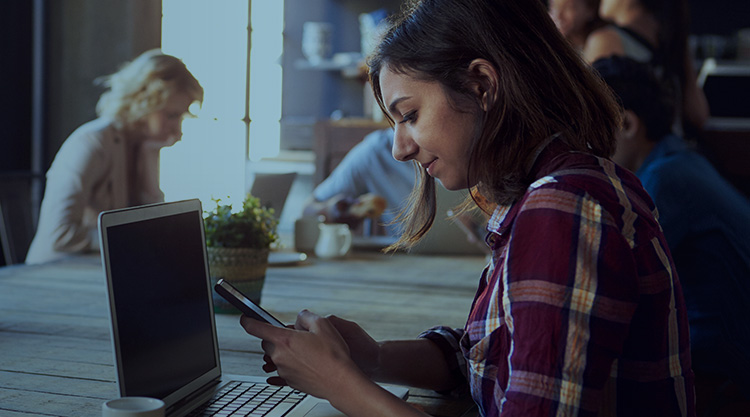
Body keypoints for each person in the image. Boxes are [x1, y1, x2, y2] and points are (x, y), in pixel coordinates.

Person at [240, 1, 695, 416]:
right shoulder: (546, 191)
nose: (399, 149)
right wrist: (372, 358)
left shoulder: (563, 209)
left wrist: (339, 383)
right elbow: (493, 355)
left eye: (410, 115)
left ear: (481, 86)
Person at [593, 55, 750, 409]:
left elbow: (612, 279)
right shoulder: (682, 161)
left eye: (590, 126)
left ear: (628, 124)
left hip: (725, 372)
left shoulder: (662, 181)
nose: (585, 145)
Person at [25, 49, 203, 264]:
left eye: (181, 116)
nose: (178, 129)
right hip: (53, 273)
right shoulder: (91, 143)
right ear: (145, 99)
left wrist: (149, 156)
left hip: (98, 270)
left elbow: (153, 224)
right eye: (171, 115)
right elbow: (58, 234)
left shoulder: (144, 145)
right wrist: (126, 237)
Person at [584, 0, 709, 136]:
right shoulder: (673, 39)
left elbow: (592, 122)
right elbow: (698, 115)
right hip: (672, 150)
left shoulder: (606, 41)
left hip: (636, 154)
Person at [302, 128, 412, 236]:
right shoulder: (375, 152)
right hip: (405, 253)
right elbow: (307, 211)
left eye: (411, 116)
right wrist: (330, 210)